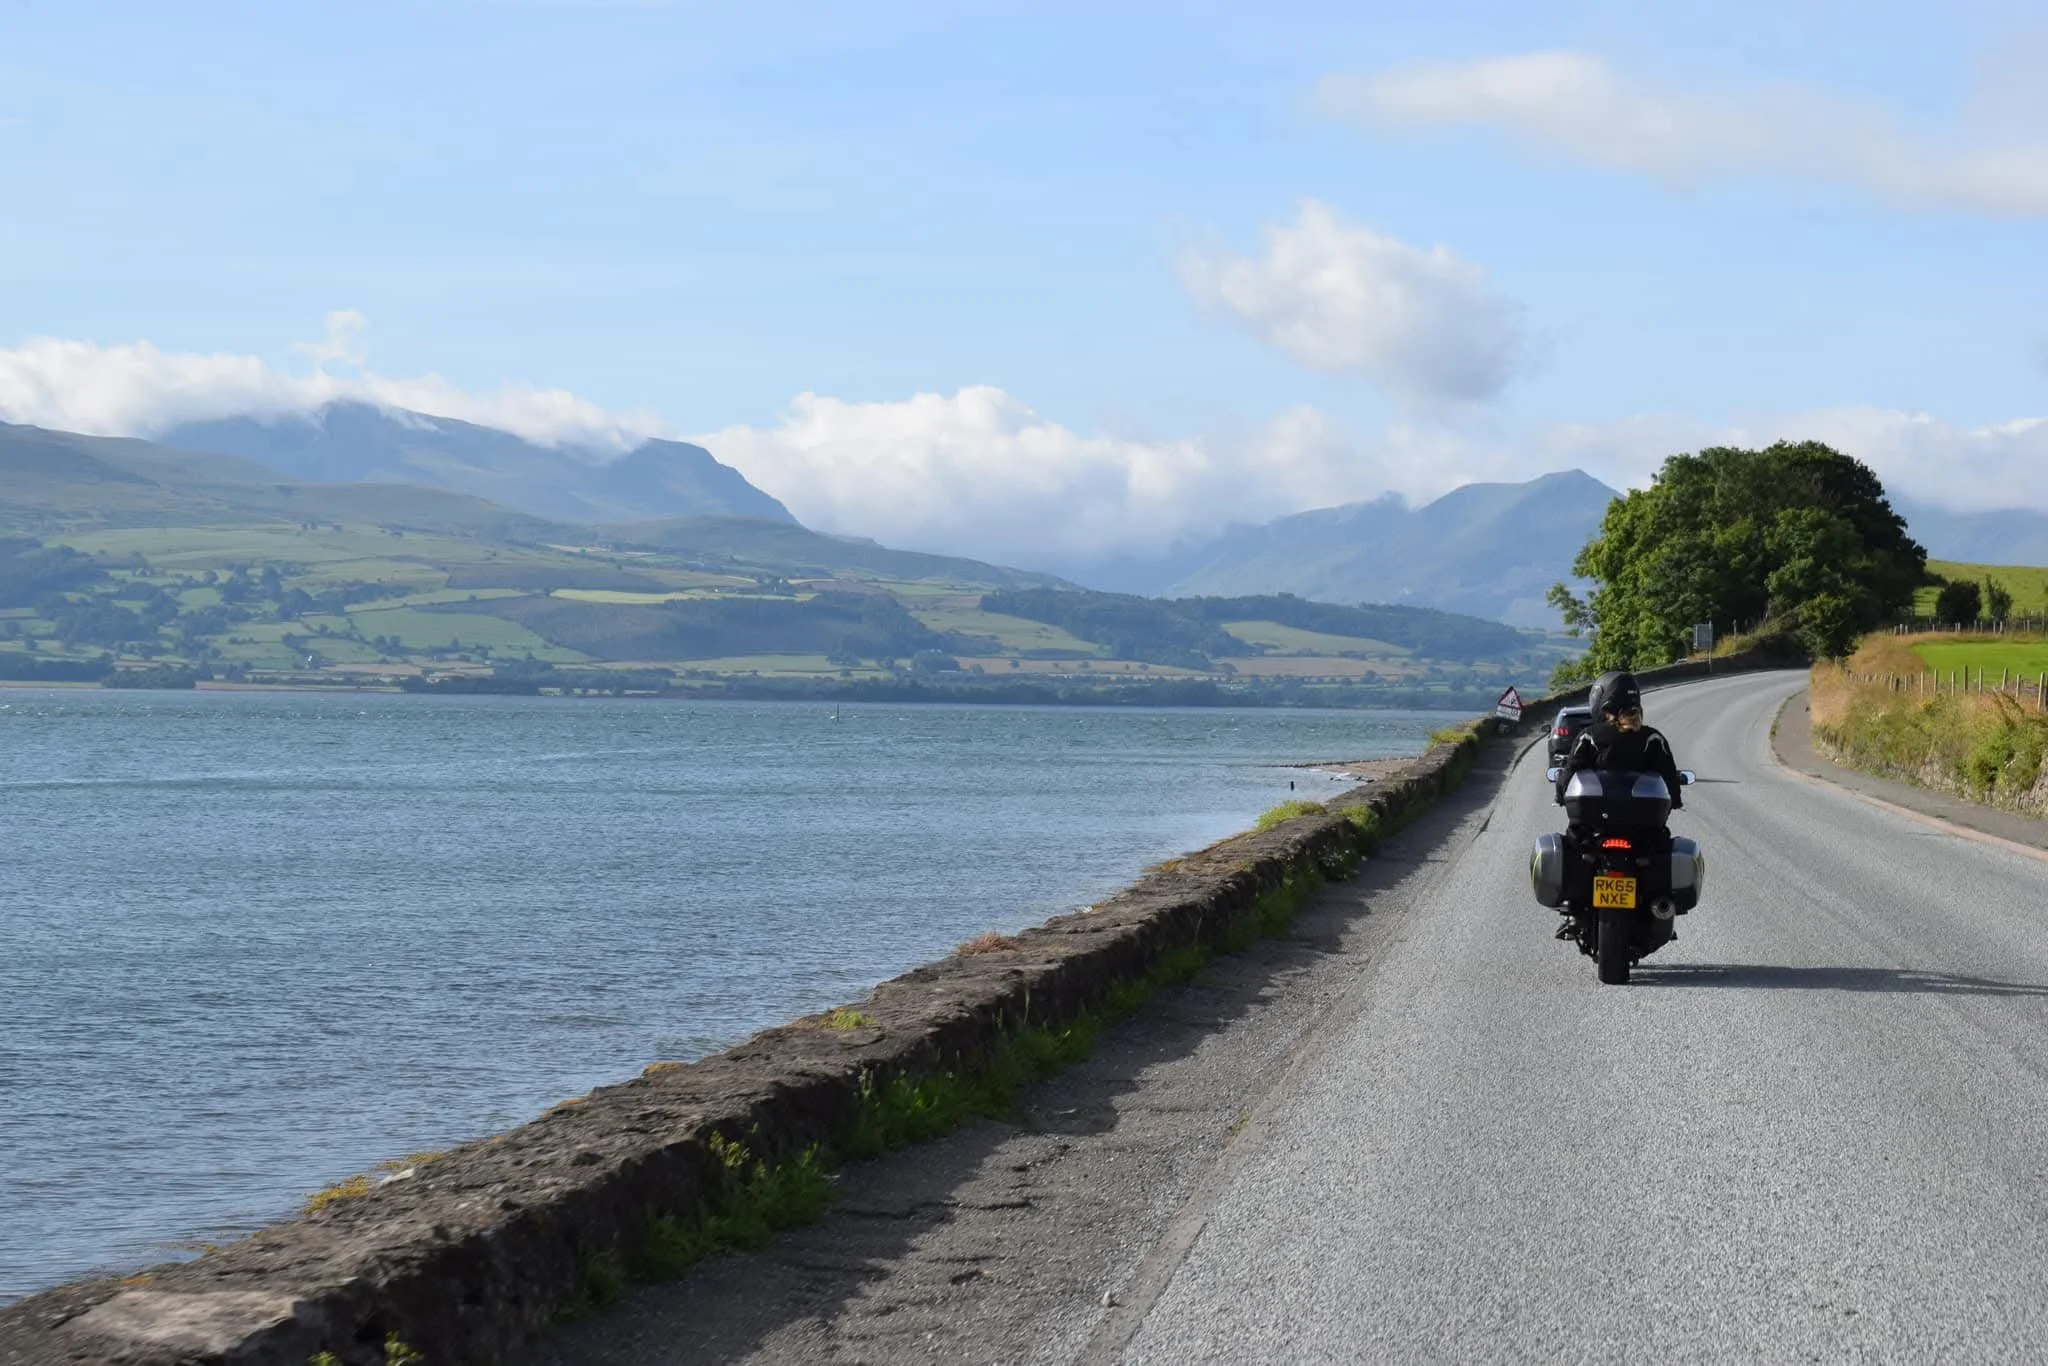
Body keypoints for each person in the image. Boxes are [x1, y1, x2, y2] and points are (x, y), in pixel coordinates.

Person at [1553, 670, 1684, 814]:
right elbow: (1669, 776)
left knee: (1571, 835)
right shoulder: (1653, 738)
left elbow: (1571, 771)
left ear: (1600, 700)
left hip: (1595, 823)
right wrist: (1675, 800)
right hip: (1644, 826)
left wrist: (1560, 795)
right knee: (1664, 837)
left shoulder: (1588, 736)